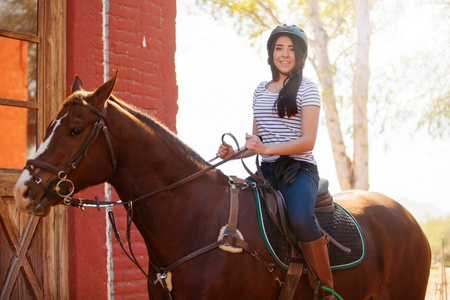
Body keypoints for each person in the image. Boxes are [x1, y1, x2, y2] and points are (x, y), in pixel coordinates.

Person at [217, 24, 336, 300]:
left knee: (301, 217)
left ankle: (326, 288)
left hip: (299, 171)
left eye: (292, 49)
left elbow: (308, 140)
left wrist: (266, 147)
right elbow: (255, 142)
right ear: (271, 54)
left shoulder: (308, 89)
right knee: (230, 210)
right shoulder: (260, 90)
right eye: (279, 48)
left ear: (301, 55)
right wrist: (232, 153)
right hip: (265, 171)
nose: (285, 54)